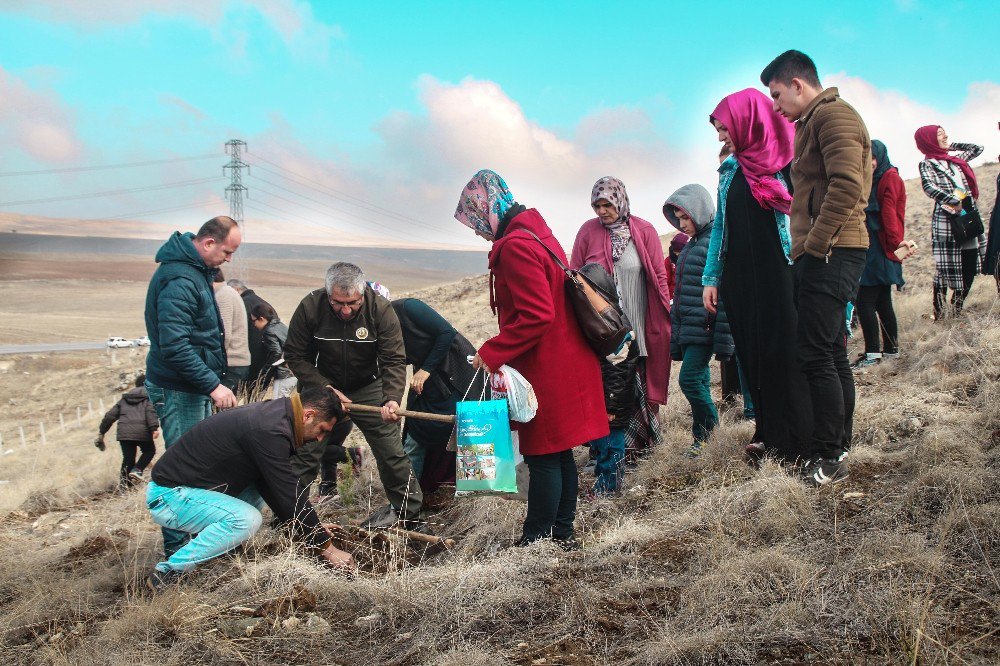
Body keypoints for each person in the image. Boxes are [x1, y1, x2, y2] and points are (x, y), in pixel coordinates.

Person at [455, 169, 608, 547]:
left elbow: (537, 314)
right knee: (559, 455)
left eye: (475, 220)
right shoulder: (537, 233)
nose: (476, 230)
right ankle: (562, 534)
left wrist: (492, 353)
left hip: (548, 368)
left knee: (543, 456)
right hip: (567, 360)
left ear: (488, 209)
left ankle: (536, 541)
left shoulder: (515, 246)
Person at [762, 50, 871, 486]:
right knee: (829, 352)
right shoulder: (813, 123)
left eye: (776, 94)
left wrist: (819, 243)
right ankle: (837, 445)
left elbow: (848, 184)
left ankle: (828, 456)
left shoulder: (834, 117)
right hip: (824, 251)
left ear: (798, 85)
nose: (775, 105)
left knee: (816, 355)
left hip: (834, 251)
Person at [144, 385, 355, 590]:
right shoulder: (269, 430)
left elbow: (276, 488)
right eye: (322, 430)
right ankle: (168, 573)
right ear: (308, 415)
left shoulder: (277, 417)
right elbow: (288, 492)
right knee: (246, 520)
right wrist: (327, 549)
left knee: (260, 490)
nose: (319, 439)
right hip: (169, 497)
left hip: (190, 492)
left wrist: (313, 530)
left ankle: (222, 552)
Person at [703, 88, 813, 464]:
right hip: (739, 279)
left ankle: (797, 438)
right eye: (718, 130)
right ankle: (767, 431)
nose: (721, 137)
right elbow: (721, 227)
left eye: (724, 128)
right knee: (753, 357)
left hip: (779, 271)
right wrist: (711, 278)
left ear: (747, 121)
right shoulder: (730, 169)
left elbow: (802, 214)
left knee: (783, 352)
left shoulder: (787, 161)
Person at [284, 262, 423, 530]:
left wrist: (391, 398)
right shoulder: (310, 307)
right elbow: (294, 355)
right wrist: (324, 387)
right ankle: (290, 517)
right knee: (304, 451)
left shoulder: (380, 309)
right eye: (338, 303)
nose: (346, 310)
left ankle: (410, 516)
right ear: (328, 295)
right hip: (321, 385)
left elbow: (394, 359)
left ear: (363, 294)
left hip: (368, 386)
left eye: (353, 303)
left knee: (391, 451)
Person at [144, 215, 241, 556]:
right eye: (227, 252)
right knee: (183, 471)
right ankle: (177, 553)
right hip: (179, 388)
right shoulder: (181, 278)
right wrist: (213, 386)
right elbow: (174, 345)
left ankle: (195, 543)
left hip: (192, 386)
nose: (228, 260)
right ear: (209, 243)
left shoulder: (195, 271)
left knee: (199, 465)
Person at [571, 177, 672, 461]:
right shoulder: (587, 232)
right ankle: (607, 454)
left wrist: (664, 318)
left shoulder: (644, 230)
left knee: (639, 377)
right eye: (597, 205)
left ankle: (641, 446)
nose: (602, 211)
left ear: (620, 201)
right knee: (609, 385)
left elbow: (659, 277)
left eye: (607, 204)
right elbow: (574, 276)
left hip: (638, 320)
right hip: (603, 328)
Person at [664, 184, 734, 453]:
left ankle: (708, 434)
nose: (682, 225)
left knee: (689, 380)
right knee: (700, 379)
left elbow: (723, 294)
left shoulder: (711, 245)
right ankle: (703, 439)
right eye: (678, 219)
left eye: (685, 217)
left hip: (705, 326)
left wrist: (722, 337)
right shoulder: (694, 244)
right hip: (692, 327)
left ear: (699, 211)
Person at [391, 297, 483, 495]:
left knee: (468, 431)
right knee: (415, 432)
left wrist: (425, 369)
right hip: (429, 381)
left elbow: (447, 332)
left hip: (457, 374)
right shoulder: (376, 328)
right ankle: (409, 499)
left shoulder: (408, 308)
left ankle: (474, 491)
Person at [915, 125, 986, 318]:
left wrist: (949, 145)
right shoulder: (927, 164)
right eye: (939, 134)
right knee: (945, 269)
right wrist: (954, 200)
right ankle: (939, 312)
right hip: (947, 220)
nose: (945, 135)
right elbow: (928, 187)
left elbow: (977, 148)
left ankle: (956, 308)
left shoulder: (954, 160)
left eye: (944, 132)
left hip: (967, 215)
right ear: (928, 140)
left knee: (970, 264)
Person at [853, 140, 910, 369]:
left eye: (872, 157)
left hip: (879, 248)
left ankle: (873, 353)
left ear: (881, 156)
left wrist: (897, 244)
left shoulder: (889, 178)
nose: (870, 162)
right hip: (878, 246)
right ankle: (890, 351)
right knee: (882, 300)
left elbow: (889, 213)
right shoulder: (874, 178)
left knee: (865, 299)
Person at [97, 373, 159, 489]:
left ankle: (125, 486)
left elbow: (110, 416)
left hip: (124, 433)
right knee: (149, 451)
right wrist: (154, 428)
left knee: (128, 458)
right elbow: (150, 412)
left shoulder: (124, 399)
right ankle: (138, 469)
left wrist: (102, 432)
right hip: (142, 432)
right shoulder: (149, 396)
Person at [227, 279, 273, 394]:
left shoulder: (241, 304)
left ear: (236, 290)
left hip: (245, 363)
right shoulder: (265, 304)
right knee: (255, 404)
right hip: (265, 364)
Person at [213, 270, 250, 392]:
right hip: (235, 363)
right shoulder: (227, 292)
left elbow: (224, 335)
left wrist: (213, 360)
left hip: (232, 363)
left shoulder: (223, 296)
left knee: (220, 409)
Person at [250, 302, 297, 398]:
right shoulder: (280, 325)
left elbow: (276, 353)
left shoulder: (269, 331)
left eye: (253, 321)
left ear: (262, 318)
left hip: (283, 375)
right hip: (293, 372)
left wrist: (264, 374)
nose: (253, 324)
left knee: (279, 406)